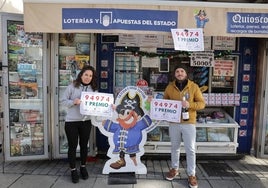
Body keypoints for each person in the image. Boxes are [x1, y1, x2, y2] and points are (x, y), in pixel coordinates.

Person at [164, 64, 205, 188]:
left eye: (182, 71)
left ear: (186, 74)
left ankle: (191, 174)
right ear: (175, 74)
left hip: (189, 123)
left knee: (190, 150)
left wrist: (190, 104)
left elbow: (202, 104)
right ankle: (174, 169)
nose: (180, 73)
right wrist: (154, 103)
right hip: (174, 123)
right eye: (177, 71)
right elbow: (164, 102)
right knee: (175, 147)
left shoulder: (194, 87)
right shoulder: (170, 87)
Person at [61, 65, 98, 183]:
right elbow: (62, 101)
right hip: (72, 122)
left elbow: (99, 104)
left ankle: (83, 167)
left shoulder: (93, 89)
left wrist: (109, 107)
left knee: (84, 145)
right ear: (81, 75)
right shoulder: (72, 86)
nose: (88, 77)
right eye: (86, 75)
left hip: (85, 122)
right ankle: (73, 170)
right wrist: (73, 102)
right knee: (72, 146)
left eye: (90, 76)